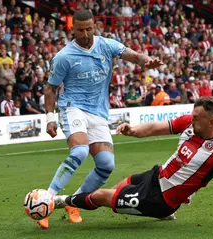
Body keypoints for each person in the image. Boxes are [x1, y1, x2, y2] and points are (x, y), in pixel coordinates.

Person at [41, 9, 163, 229]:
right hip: (73, 107)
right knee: (79, 151)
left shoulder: (107, 45)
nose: (85, 33)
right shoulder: (64, 57)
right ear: (73, 29)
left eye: (89, 28)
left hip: (98, 113)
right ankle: (45, 202)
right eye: (80, 30)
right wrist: (50, 118)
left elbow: (134, 55)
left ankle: (73, 202)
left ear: (94, 26)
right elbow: (50, 89)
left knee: (106, 165)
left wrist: (147, 60)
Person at [52, 97, 213, 221]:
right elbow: (155, 127)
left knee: (100, 196)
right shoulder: (189, 123)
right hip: (155, 176)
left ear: (212, 121)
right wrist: (132, 130)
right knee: (118, 187)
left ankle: (58, 202)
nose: (192, 119)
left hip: (160, 199)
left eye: (197, 117)